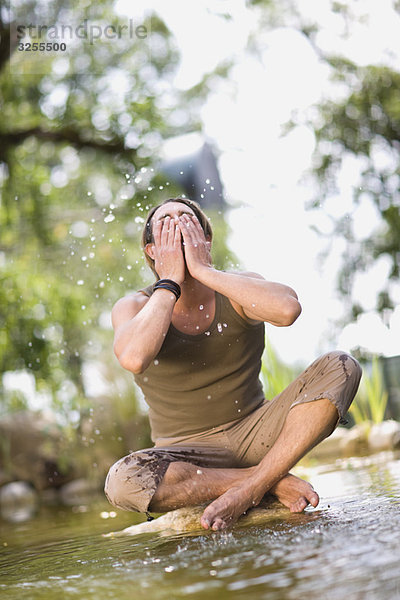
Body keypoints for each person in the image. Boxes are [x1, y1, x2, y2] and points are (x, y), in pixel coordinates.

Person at [104, 197, 361, 531]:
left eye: (186, 219)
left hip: (256, 433)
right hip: (187, 457)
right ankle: (268, 480)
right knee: (122, 481)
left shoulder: (238, 287)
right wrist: (170, 282)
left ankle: (251, 488)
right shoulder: (135, 305)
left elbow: (288, 310)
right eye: (166, 224)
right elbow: (134, 357)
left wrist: (204, 272)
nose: (178, 225)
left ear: (205, 240)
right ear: (152, 250)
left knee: (342, 365)